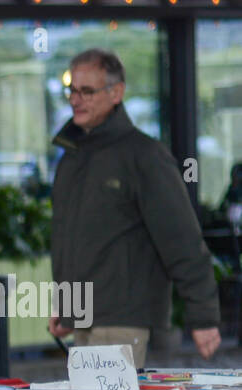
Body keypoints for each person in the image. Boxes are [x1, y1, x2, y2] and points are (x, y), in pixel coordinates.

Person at [47, 49, 220, 365]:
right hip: (83, 318)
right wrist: (67, 305)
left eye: (87, 91)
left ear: (117, 93)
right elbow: (69, 240)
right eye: (72, 90)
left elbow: (180, 238)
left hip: (126, 321)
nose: (75, 100)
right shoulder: (71, 157)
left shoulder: (144, 155)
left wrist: (203, 316)